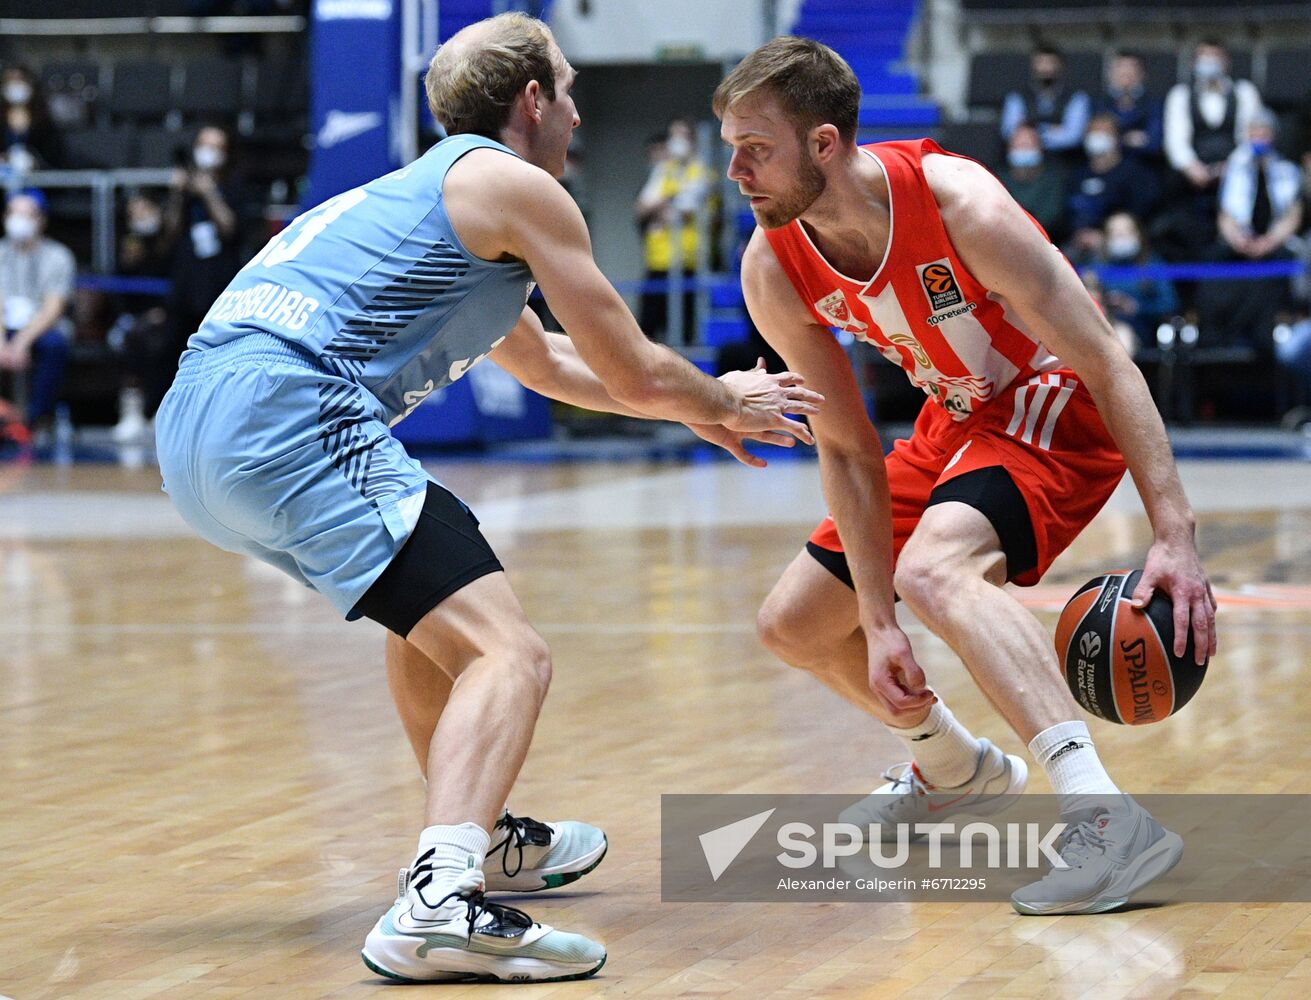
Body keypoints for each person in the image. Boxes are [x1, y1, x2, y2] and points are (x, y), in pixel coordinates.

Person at [154, 13, 821, 984]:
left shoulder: (435, 198)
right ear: (532, 99)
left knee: (431, 612)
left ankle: (481, 834)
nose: (579, 112)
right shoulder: (515, 185)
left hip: (195, 428)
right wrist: (723, 401)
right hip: (286, 410)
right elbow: (630, 366)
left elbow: (550, 364)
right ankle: (439, 899)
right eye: (569, 88)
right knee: (510, 653)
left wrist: (694, 409)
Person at [715, 36, 1215, 915]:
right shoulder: (772, 264)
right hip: (956, 414)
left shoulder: (960, 206)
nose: (735, 172)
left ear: (823, 144)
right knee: (796, 624)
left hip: (1055, 398)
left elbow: (1106, 359)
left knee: (933, 570)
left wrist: (1173, 534)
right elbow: (847, 448)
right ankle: (951, 768)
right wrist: (877, 626)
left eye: (754, 148)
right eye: (731, 149)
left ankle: (1105, 817)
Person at [1200, 109, 1303, 355]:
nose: (1258, 137)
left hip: (1275, 245)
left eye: (1263, 132)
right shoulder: (1234, 168)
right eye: (1254, 132)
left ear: (1273, 135)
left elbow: (1293, 215)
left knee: (1278, 269)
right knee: (1214, 262)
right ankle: (1215, 340)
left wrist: (1269, 242)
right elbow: (1225, 215)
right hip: (1239, 243)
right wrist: (1237, 239)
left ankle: (1262, 338)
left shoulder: (1287, 170)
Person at [0, 190, 75, 433]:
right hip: (4, 326)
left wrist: (22, 342)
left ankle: (35, 421)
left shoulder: (58, 256)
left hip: (41, 327)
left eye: (27, 214)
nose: (19, 220)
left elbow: (54, 307)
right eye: (14, 213)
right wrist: (2, 343)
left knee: (54, 345)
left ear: (41, 220)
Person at [635, 117, 711, 343]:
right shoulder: (663, 170)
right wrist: (671, 199)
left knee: (685, 332)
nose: (677, 141)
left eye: (682, 135)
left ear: (693, 140)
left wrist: (662, 205)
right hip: (657, 262)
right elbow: (642, 207)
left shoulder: (701, 172)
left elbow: (686, 210)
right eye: (673, 136)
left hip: (689, 263)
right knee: (647, 329)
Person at [110, 193, 173, 442]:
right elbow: (120, 290)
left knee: (163, 341)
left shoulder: (170, 242)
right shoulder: (129, 245)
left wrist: (165, 310)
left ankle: (160, 411)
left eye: (144, 210)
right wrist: (128, 262)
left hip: (168, 315)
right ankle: (132, 412)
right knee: (129, 338)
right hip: (134, 318)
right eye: (133, 213)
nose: (139, 217)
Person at [1066, 114, 1161, 264]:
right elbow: (1070, 210)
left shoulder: (1135, 173)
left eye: (1104, 131)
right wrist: (1080, 233)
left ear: (1117, 138)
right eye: (1093, 132)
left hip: (1128, 240)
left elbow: (1142, 211)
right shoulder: (1078, 175)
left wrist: (1106, 236)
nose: (1098, 136)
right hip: (1081, 245)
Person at [1096, 211, 1179, 348]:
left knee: (1122, 336)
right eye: (1115, 233)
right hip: (1103, 325)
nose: (1121, 236)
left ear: (1138, 234)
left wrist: (1137, 307)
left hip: (1141, 329)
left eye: (1126, 231)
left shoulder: (1152, 264)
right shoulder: (1098, 265)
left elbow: (1169, 303)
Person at [1000, 44, 1091, 168]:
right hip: (1023, 160)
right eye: (1041, 63)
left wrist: (1033, 134)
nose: (1045, 69)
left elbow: (1073, 136)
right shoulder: (1017, 96)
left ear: (1061, 67)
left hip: (1064, 162)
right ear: (1032, 66)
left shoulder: (1077, 97)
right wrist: (1052, 130)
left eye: (1051, 63)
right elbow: (1010, 132)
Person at [997, 123, 1068, 244]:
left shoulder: (1052, 179)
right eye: (1019, 145)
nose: (1023, 149)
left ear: (1039, 148)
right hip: (1003, 240)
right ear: (1009, 148)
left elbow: (1052, 215)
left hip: (1046, 241)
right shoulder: (997, 177)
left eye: (1028, 145)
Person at [1096, 52, 1163, 163]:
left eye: (1131, 68)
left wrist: (1113, 138)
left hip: (1143, 165)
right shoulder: (1097, 102)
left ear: (1142, 74)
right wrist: (1127, 139)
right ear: (1110, 73)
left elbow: (1154, 143)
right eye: (1121, 67)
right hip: (1104, 166)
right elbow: (1094, 140)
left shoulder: (1154, 104)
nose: (1126, 72)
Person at [2, 65, 63, 173]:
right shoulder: (2, 122)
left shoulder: (45, 123)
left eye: (19, 80)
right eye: (10, 80)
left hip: (38, 178)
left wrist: (35, 163)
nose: (15, 85)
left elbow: (57, 158)